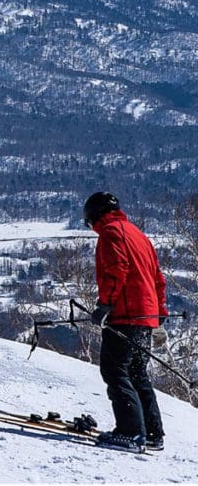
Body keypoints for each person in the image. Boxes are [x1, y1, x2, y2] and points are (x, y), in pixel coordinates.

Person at [85, 191, 167, 454]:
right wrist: (159, 310)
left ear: (94, 214)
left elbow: (116, 269)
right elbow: (157, 277)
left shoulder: (111, 233)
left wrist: (105, 304)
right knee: (136, 372)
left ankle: (130, 433)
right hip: (146, 315)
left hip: (126, 314)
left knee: (115, 370)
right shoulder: (138, 234)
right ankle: (152, 434)